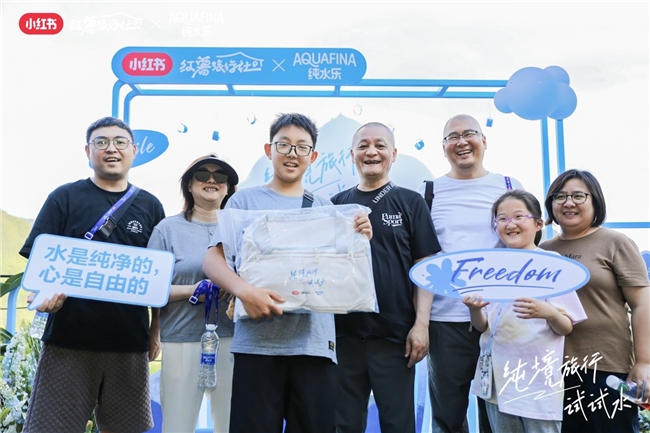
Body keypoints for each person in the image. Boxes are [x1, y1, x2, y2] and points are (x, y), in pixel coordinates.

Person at [202, 113, 372, 433]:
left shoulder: (326, 207)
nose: (292, 153)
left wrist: (360, 236)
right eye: (284, 145)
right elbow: (213, 260)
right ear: (269, 150)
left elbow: (344, 270)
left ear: (313, 156)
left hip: (314, 346)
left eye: (301, 147)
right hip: (257, 345)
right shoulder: (244, 200)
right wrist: (246, 292)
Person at [19, 116, 165, 433]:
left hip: (129, 342)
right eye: (101, 142)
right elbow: (40, 260)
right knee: (50, 429)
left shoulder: (150, 205)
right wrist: (44, 296)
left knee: (126, 429)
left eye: (120, 142)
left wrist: (155, 331)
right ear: (88, 151)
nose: (111, 149)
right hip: (68, 340)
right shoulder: (64, 197)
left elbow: (157, 277)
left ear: (133, 150)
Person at [331, 122, 441, 433]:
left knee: (398, 423)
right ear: (352, 154)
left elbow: (425, 265)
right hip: (344, 334)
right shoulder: (336, 204)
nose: (371, 152)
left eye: (380, 145)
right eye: (363, 145)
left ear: (393, 154)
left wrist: (421, 325)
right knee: (343, 424)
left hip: (395, 336)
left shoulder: (410, 202)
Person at [418, 113, 524, 433]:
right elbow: (422, 257)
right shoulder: (429, 192)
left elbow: (527, 248)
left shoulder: (509, 186)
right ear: (443, 147)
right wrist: (421, 322)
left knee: (501, 415)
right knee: (448, 417)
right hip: (445, 321)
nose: (462, 142)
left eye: (469, 134)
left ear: (484, 140)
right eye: (452, 137)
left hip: (499, 320)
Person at [462, 189, 587, 433]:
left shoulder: (552, 264)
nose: (510, 224)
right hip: (497, 382)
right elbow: (483, 326)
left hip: (537, 385)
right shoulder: (491, 267)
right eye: (502, 218)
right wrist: (474, 310)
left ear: (538, 224)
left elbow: (566, 327)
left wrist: (548, 312)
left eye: (519, 216)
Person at [539, 169, 650, 433]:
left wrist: (644, 361)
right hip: (554, 371)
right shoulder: (542, 252)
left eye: (578, 196)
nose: (568, 203)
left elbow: (642, 304)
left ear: (595, 201)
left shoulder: (616, 243)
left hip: (608, 369)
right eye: (560, 196)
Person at [147, 153, 239, 433]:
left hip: (235, 339)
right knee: (177, 426)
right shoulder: (167, 229)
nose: (211, 180)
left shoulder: (240, 229)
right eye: (202, 175)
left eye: (220, 176)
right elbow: (149, 286)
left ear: (228, 188)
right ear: (189, 184)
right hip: (182, 338)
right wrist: (193, 290)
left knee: (232, 425)